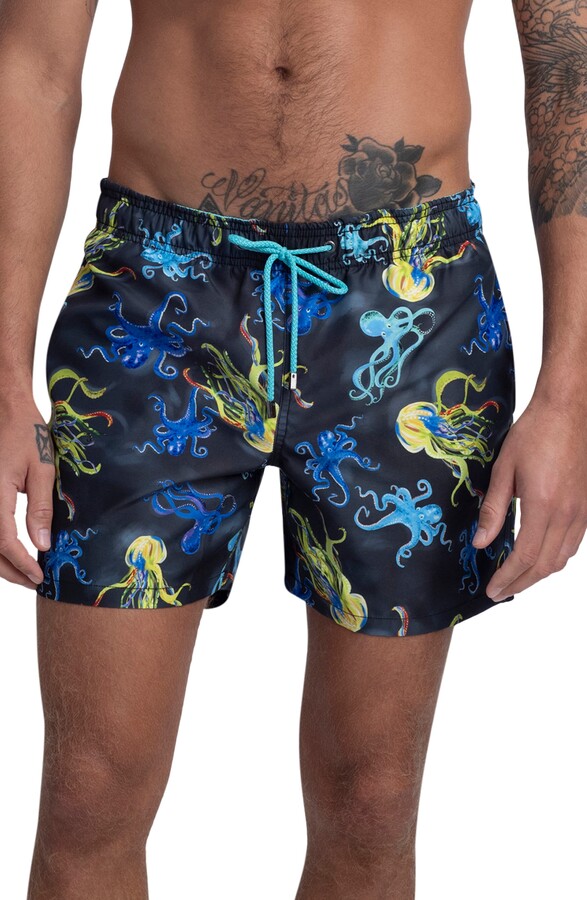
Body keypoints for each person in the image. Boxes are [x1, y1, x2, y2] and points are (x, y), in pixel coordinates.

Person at [0, 0, 585, 897]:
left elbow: (568, 64)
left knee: (371, 801)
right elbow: (32, 65)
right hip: (154, 298)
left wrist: (571, 396)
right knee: (88, 794)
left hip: (408, 304)